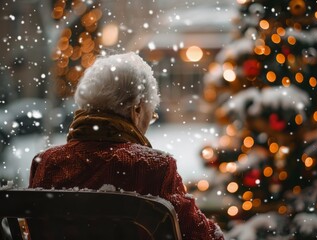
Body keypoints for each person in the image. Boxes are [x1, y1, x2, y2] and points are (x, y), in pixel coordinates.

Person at [29, 52, 224, 240]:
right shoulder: (153, 167)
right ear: (136, 110)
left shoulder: (46, 162)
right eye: (151, 113)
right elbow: (201, 236)